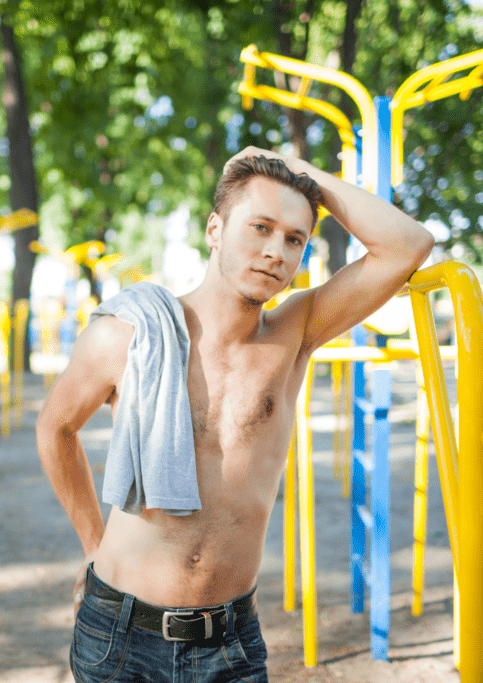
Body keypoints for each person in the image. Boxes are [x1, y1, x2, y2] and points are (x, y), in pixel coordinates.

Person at [36, 146, 434, 682]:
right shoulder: (128, 334)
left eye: (294, 239)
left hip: (230, 641)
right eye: (261, 227)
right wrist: (91, 545)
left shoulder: (295, 333)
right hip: (120, 633)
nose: (276, 251)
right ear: (215, 229)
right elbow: (56, 428)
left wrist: (299, 170)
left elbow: (408, 245)